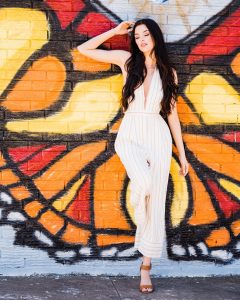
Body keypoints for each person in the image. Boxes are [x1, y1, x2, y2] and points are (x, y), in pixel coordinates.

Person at [77, 18, 189, 294]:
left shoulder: (168, 73)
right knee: (147, 186)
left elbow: (172, 116)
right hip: (130, 133)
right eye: (137, 35)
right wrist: (115, 32)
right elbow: (84, 49)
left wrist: (182, 155)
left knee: (157, 199)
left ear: (155, 37)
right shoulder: (127, 61)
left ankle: (146, 267)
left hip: (158, 133)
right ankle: (141, 223)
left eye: (146, 34)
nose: (141, 39)